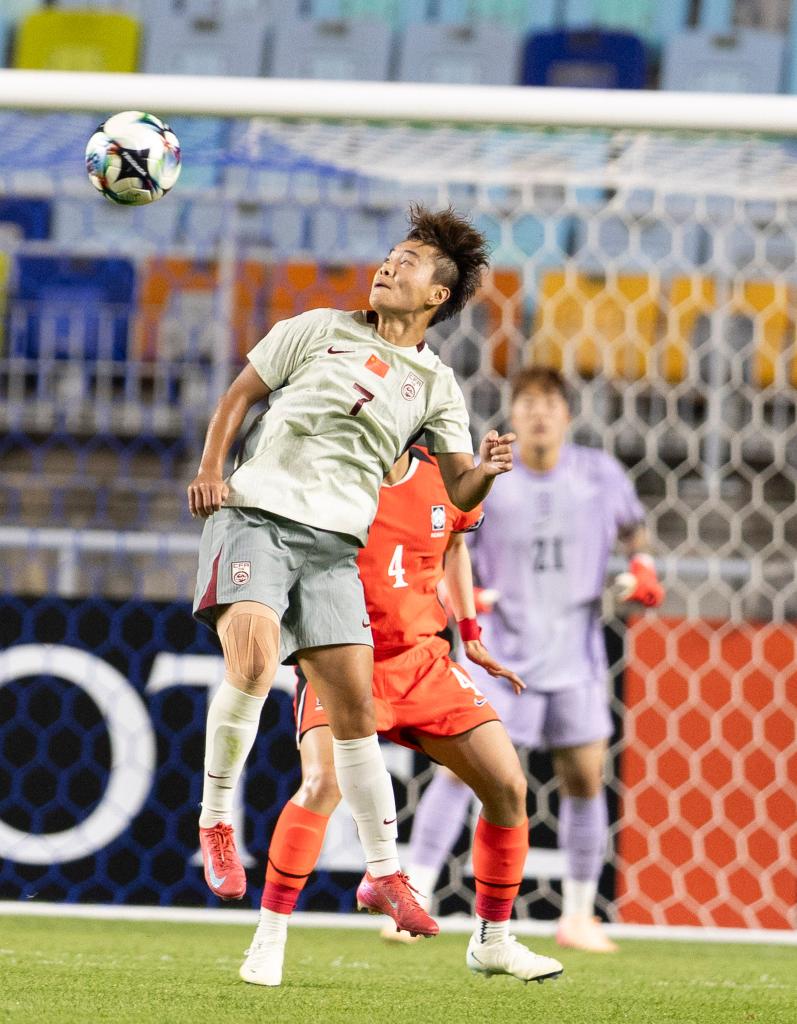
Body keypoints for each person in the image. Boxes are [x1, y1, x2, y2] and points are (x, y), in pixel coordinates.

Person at [186, 204, 516, 938]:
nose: (388, 265)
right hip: (257, 516)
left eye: (408, 262)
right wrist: (211, 469)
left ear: (437, 295)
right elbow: (240, 395)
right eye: (390, 255)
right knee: (254, 655)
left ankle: (387, 873)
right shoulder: (316, 328)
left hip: (334, 545)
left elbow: (458, 491)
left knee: (355, 712)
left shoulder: (436, 386)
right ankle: (215, 820)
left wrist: (488, 473)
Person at [239, 444, 564, 987]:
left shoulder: (441, 477)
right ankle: (268, 939)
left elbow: (454, 544)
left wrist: (470, 633)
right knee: (322, 784)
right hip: (342, 655)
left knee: (507, 786)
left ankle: (492, 940)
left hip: (421, 661)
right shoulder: (329, 477)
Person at [403, 366, 665, 953]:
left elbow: (636, 529)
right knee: (460, 771)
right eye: (527, 403)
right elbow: (448, 545)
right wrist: (462, 597)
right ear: (512, 416)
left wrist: (643, 568)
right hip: (500, 654)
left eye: (549, 403)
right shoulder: (489, 477)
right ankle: (412, 895)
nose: (539, 413)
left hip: (576, 655)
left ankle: (578, 916)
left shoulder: (599, 474)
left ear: (567, 415)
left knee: (585, 778)